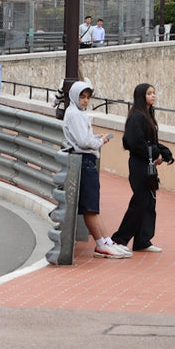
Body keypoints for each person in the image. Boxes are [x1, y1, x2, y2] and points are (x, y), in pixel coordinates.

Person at [62, 82, 128, 258]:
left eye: (87, 97)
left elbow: (83, 138)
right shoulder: (75, 114)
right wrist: (100, 141)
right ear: (75, 97)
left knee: (93, 206)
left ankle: (107, 241)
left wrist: (95, 138)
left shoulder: (77, 113)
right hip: (84, 161)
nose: (85, 101)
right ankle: (100, 243)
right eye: (82, 97)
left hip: (86, 161)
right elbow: (83, 142)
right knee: (90, 207)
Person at [111, 83, 173, 254]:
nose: (153, 96)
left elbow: (151, 141)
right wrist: (155, 153)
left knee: (149, 202)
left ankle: (142, 240)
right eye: (149, 93)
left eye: (153, 93)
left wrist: (165, 153)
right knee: (140, 202)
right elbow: (134, 142)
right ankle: (119, 239)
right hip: (140, 165)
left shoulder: (148, 115)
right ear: (141, 96)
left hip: (148, 165)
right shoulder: (136, 117)